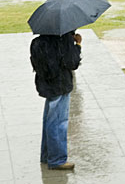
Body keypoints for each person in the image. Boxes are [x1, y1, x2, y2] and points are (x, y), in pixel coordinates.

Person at [30, 31, 81, 170]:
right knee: (58, 122)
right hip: (60, 85)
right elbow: (73, 63)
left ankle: (47, 155)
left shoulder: (39, 42)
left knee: (49, 120)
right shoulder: (64, 40)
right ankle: (57, 159)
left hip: (47, 86)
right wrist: (77, 45)